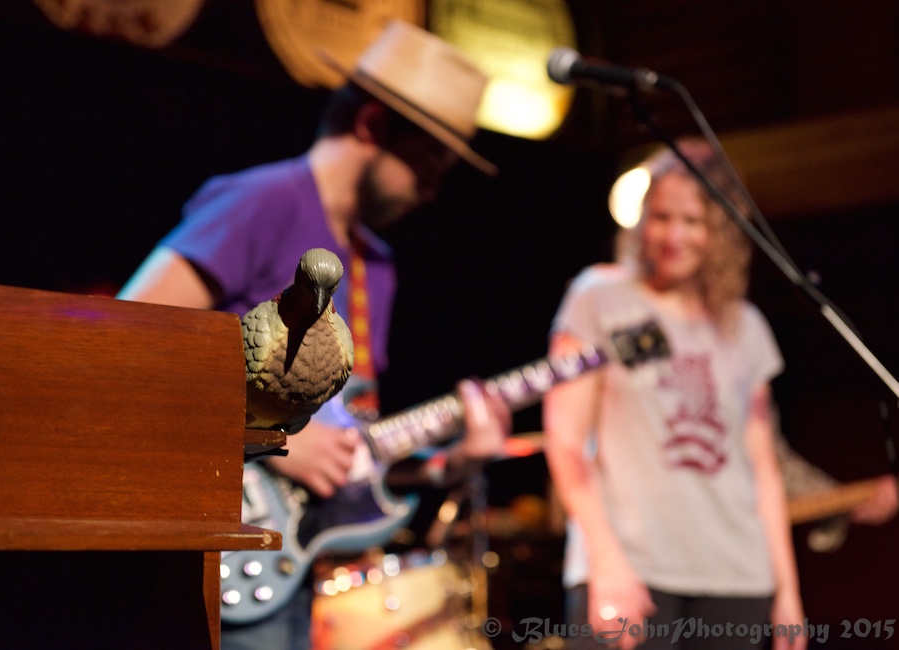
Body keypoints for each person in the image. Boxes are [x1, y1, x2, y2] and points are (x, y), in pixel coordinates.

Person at [117, 20, 508, 650]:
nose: (432, 190)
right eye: (425, 163)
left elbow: (349, 430)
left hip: (291, 567)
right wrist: (271, 440)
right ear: (372, 125)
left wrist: (449, 464)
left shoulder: (376, 265)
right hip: (218, 540)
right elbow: (125, 339)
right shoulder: (264, 202)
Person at [543, 139, 807, 650]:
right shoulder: (599, 298)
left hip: (737, 576)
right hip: (632, 570)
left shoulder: (746, 327)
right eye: (661, 217)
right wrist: (606, 560)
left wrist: (788, 592)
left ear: (721, 231)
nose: (673, 235)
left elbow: (763, 469)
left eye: (693, 221)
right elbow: (566, 441)